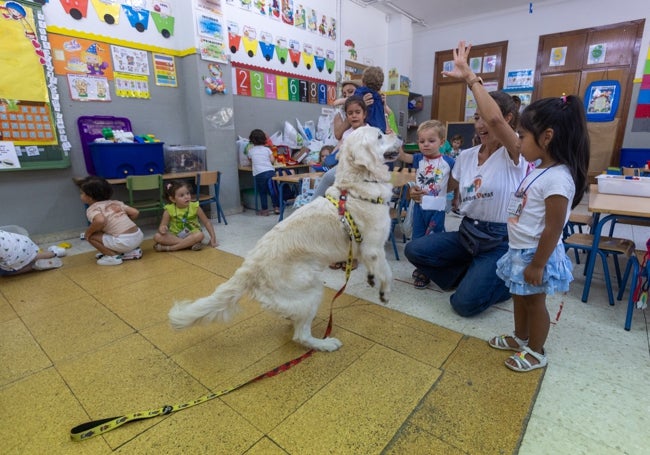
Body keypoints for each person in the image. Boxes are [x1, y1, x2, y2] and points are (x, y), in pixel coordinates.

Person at [404, 40, 528, 316]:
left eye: (485, 117)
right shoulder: (467, 157)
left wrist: (471, 77)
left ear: (507, 118)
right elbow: (449, 195)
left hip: (499, 241)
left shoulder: (516, 152)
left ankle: (504, 282)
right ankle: (469, 274)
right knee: (415, 250)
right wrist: (421, 195)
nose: (481, 124)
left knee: (463, 305)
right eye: (476, 118)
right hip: (467, 233)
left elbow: (496, 122)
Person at [488, 93, 589, 371]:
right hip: (521, 249)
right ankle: (521, 337)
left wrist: (538, 264)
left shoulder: (559, 178)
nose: (517, 142)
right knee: (519, 297)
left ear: (546, 137)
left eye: (522, 136)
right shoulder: (539, 169)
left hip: (536, 253)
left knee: (535, 303)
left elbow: (554, 227)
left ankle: (536, 350)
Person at [398, 120, 455, 288]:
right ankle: (421, 267)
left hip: (436, 208)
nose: (426, 145)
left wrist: (456, 198)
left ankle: (428, 271)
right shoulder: (418, 159)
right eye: (421, 141)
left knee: (433, 240)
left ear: (442, 142)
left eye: (431, 141)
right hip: (419, 207)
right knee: (417, 239)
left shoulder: (449, 162)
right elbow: (402, 156)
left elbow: (456, 181)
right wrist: (394, 140)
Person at [76, 176, 144, 266]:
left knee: (92, 236)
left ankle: (112, 257)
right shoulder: (115, 202)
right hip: (138, 236)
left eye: (82, 193)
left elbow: (100, 221)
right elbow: (135, 212)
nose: (80, 195)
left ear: (90, 197)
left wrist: (88, 233)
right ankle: (121, 251)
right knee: (103, 231)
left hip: (124, 242)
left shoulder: (93, 209)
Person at [153, 180, 218, 252]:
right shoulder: (168, 209)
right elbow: (162, 226)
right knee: (157, 236)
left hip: (192, 234)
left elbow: (207, 222)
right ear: (173, 199)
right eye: (182, 195)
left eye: (188, 193)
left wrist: (213, 237)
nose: (186, 197)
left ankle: (170, 248)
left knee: (200, 235)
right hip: (175, 236)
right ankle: (188, 244)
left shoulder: (195, 206)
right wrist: (163, 228)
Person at [0, 229, 65, 275]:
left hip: (15, 259)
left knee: (3, 272)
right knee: (31, 255)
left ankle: (33, 266)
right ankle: (56, 252)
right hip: (25, 243)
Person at [248, 128, 279, 216]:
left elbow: (250, 161)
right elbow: (272, 161)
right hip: (270, 172)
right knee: (273, 190)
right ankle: (276, 207)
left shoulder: (251, 151)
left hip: (259, 174)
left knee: (262, 192)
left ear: (252, 140)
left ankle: (265, 210)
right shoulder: (267, 150)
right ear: (264, 139)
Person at [354, 66, 387, 133]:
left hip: (364, 131)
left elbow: (351, 104)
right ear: (380, 86)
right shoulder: (380, 98)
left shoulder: (359, 93)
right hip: (379, 131)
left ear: (363, 82)